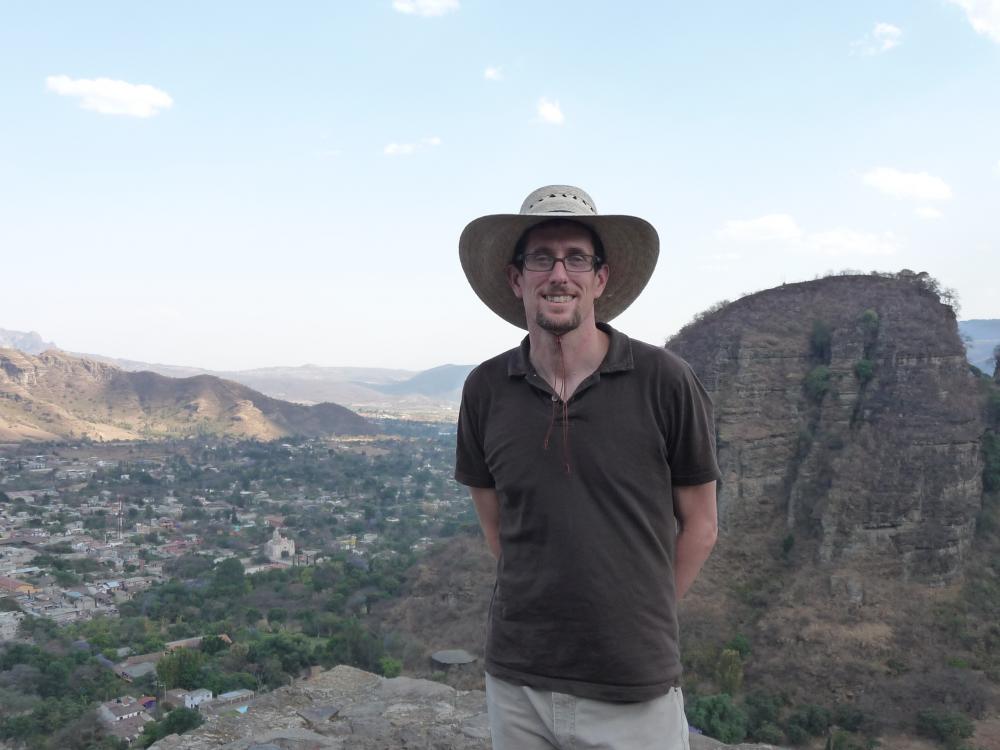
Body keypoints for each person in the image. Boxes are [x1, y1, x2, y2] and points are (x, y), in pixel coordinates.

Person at [454, 185, 720, 750]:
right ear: (515, 277)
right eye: (541, 258)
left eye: (576, 258)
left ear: (600, 278)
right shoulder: (485, 389)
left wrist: (640, 615)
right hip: (517, 682)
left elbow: (701, 524)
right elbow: (498, 527)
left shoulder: (665, 381)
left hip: (632, 686)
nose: (559, 274)